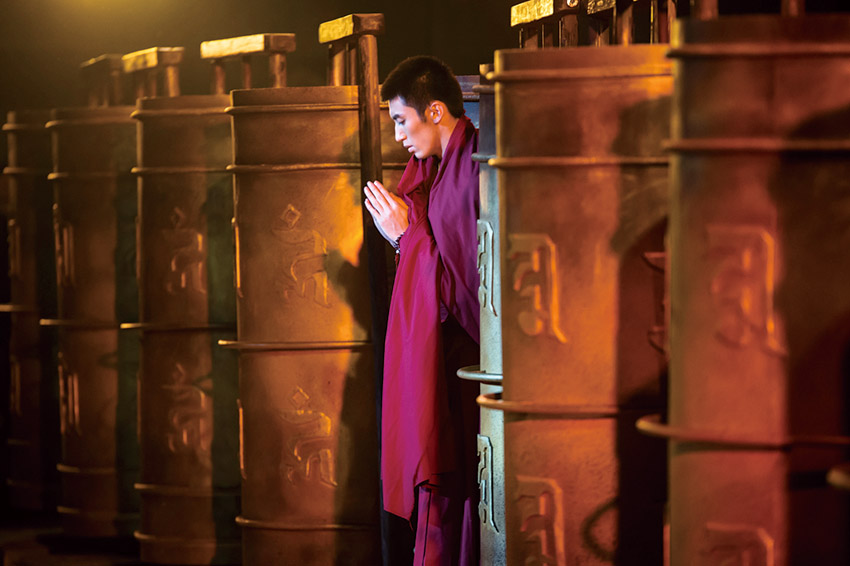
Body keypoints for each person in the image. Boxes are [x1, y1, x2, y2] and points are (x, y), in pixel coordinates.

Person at [363, 56, 481, 566]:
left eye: (400, 120)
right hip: (449, 359)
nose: (397, 137)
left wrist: (404, 238)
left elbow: (467, 286)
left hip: (469, 362)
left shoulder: (469, 171)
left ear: (434, 111)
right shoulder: (437, 170)